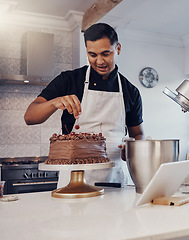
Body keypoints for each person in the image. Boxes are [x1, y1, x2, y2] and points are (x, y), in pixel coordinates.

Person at [24, 23, 144, 187]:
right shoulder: (69, 80)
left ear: (118, 49)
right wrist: (54, 102)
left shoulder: (131, 91)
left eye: (106, 53)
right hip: (73, 179)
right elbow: (30, 117)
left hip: (114, 178)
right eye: (92, 55)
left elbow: (138, 134)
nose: (99, 61)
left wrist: (132, 148)